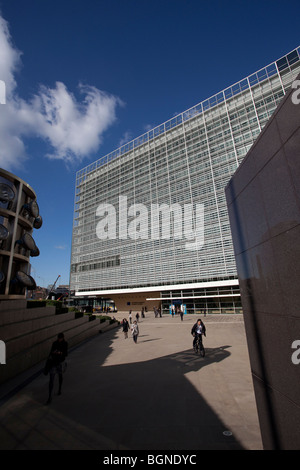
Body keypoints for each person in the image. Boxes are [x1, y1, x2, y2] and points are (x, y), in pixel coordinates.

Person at [46, 332, 68, 404]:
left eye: (60, 339)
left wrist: (60, 353)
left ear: (62, 338)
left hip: (60, 363)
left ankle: (59, 389)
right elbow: (51, 353)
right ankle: (49, 397)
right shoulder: (54, 343)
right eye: (58, 338)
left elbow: (66, 354)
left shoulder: (65, 343)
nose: (59, 340)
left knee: (60, 376)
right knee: (51, 380)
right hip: (53, 363)